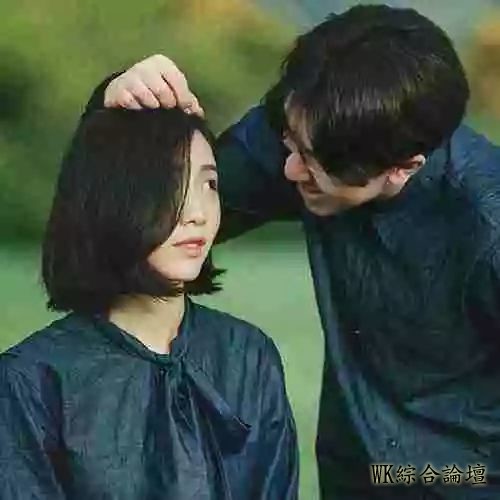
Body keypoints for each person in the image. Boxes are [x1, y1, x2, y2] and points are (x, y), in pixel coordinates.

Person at [89, 4, 500, 499]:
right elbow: (145, 223)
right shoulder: (307, 128)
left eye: (312, 162)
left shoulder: (487, 225)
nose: (288, 170)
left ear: (403, 167)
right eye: (290, 143)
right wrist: (115, 109)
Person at [0, 108, 298, 499]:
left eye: (209, 184)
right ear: (111, 199)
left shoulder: (248, 354)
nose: (198, 213)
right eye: (171, 184)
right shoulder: (33, 379)